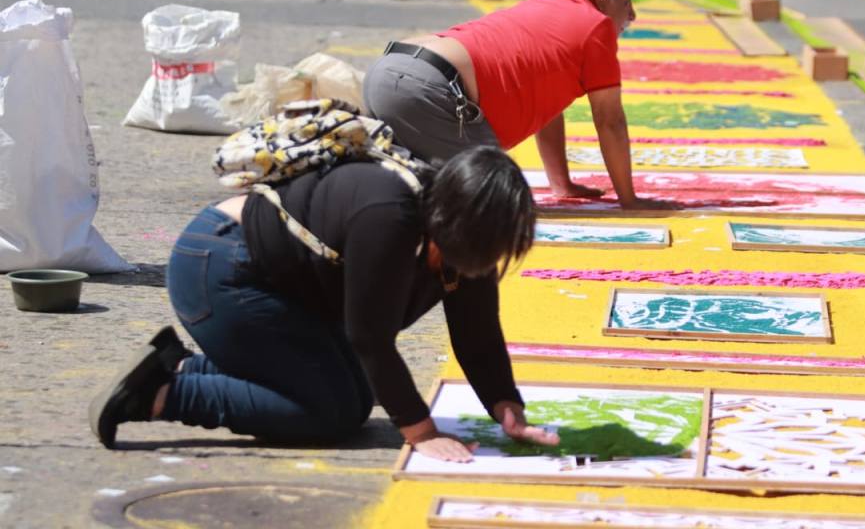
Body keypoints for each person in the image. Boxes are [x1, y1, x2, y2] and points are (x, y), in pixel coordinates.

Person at [89, 147, 559, 462]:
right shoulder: (390, 215)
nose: (486, 264)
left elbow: (476, 328)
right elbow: (369, 337)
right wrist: (421, 432)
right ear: (455, 221)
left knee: (356, 397)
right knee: (329, 413)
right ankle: (162, 396)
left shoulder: (458, 228)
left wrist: (503, 403)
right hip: (219, 269)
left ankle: (184, 369)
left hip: (276, 285)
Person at [362, 0, 660, 210]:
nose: (631, 14)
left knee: (407, 183)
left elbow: (548, 107)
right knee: (493, 201)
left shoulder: (545, 7)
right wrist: (629, 201)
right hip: (427, 90)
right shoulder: (596, 26)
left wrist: (562, 185)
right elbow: (610, 120)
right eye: (627, 0)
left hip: (386, 70)